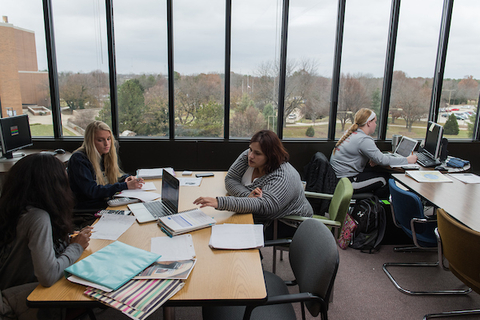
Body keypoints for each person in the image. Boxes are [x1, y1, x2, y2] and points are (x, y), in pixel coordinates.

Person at [0, 153, 92, 320]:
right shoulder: (37, 217)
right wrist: (76, 246)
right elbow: (48, 276)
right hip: (22, 294)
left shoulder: (15, 208)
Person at [194, 130, 313, 240]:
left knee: (234, 235)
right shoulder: (248, 157)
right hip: (260, 216)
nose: (250, 155)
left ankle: (256, 262)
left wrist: (220, 202)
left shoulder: (283, 176)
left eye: (257, 153)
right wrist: (247, 197)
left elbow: (265, 207)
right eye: (250, 149)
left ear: (271, 156)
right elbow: (230, 179)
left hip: (287, 222)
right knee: (222, 228)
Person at [330, 108, 417, 198]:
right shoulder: (363, 139)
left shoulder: (353, 134)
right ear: (368, 123)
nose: (375, 124)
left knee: (378, 171)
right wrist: (407, 160)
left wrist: (375, 159)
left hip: (339, 179)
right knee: (385, 180)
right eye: (375, 122)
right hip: (347, 183)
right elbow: (383, 160)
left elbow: (377, 158)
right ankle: (377, 210)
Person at [68, 121, 144, 211]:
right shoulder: (79, 159)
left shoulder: (105, 155)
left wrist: (126, 179)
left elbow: (109, 180)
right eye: (100, 140)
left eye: (108, 139)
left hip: (106, 204)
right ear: (90, 141)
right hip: (89, 210)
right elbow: (92, 191)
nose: (106, 144)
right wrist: (125, 185)